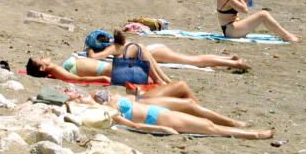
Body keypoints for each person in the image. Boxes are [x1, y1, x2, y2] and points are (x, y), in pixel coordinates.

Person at [89, 89, 274, 139]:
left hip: (157, 111)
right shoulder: (104, 111)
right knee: (209, 127)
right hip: (158, 117)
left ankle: (237, 126)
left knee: (203, 122)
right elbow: (134, 126)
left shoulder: (91, 99)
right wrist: (162, 128)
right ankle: (253, 135)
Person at [86, 29, 249, 72]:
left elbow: (94, 57)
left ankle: (235, 63)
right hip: (154, 49)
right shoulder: (116, 42)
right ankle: (229, 58)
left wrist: (90, 52)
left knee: (194, 61)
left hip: (155, 53)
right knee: (192, 58)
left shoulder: (113, 47)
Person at [24, 52, 171, 85]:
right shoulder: (55, 70)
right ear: (43, 68)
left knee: (142, 50)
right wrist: (101, 79)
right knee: (141, 50)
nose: (43, 56)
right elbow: (76, 79)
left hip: (109, 68)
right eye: (40, 59)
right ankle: (162, 81)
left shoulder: (55, 69)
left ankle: (165, 80)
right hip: (107, 71)